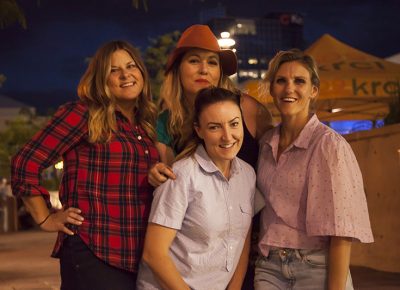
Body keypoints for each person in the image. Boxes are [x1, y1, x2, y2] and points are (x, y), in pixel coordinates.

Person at [11, 40, 159, 290]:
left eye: (131, 66)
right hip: (94, 249)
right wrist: (45, 217)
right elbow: (25, 162)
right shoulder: (83, 114)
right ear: (102, 79)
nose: (125, 74)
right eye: (114, 70)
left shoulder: (144, 126)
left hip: (136, 255)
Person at [147, 24, 272, 289]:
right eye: (194, 61)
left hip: (243, 241)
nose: (204, 69)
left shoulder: (246, 108)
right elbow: (168, 184)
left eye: (212, 62)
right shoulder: (166, 124)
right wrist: (153, 172)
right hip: (194, 249)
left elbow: (278, 156)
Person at [255, 49, 374, 290]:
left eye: (299, 81)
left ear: (314, 90)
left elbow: (341, 231)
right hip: (269, 268)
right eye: (281, 81)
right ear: (272, 89)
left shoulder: (330, 146)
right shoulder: (265, 143)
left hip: (316, 266)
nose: (289, 89)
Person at [137, 87, 255, 290]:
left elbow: (242, 240)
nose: (227, 136)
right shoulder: (182, 175)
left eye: (234, 124)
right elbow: (153, 254)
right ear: (199, 130)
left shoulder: (247, 175)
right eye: (214, 127)